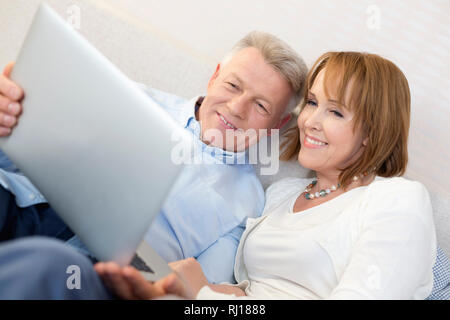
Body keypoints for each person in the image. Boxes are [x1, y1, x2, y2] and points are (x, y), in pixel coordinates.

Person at [94, 51, 440, 299]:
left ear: (372, 132)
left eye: (335, 111)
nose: (310, 121)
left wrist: (201, 293)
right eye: (312, 102)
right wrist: (187, 287)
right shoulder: (283, 193)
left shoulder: (397, 200)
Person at [0, 30, 308, 290]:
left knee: (51, 266)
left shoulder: (247, 205)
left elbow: (196, 293)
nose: (237, 108)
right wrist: (9, 117)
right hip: (29, 204)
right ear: (214, 77)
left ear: (277, 125)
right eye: (233, 85)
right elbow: (26, 151)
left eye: (261, 106)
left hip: (105, 273)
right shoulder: (131, 97)